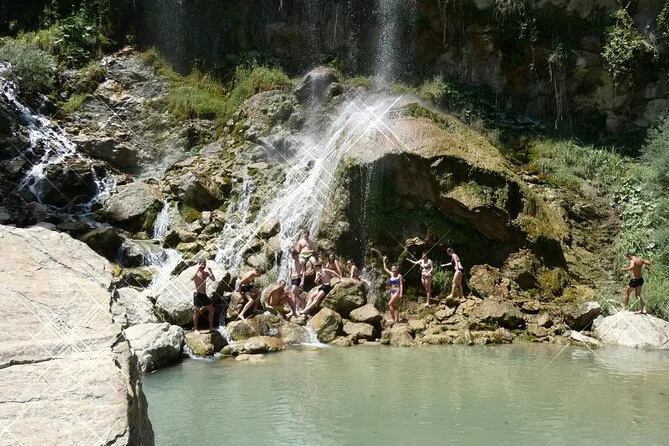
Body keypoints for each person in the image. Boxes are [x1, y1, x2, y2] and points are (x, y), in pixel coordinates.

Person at [191, 258, 216, 333]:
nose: (203, 266)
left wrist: (210, 271)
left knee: (212, 310)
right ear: (199, 264)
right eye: (202, 264)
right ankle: (195, 329)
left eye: (204, 264)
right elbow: (191, 278)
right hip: (198, 295)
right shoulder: (196, 273)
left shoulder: (206, 273)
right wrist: (197, 269)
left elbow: (213, 279)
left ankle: (211, 328)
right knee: (196, 313)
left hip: (204, 295)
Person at [383, 255, 403, 323]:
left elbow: (401, 285)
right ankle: (396, 318)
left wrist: (401, 293)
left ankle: (393, 318)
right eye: (392, 269)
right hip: (392, 291)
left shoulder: (399, 276)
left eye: (395, 269)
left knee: (389, 304)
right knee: (394, 305)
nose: (394, 270)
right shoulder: (391, 274)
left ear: (397, 269)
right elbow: (385, 268)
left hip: (397, 291)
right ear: (391, 270)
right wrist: (384, 260)